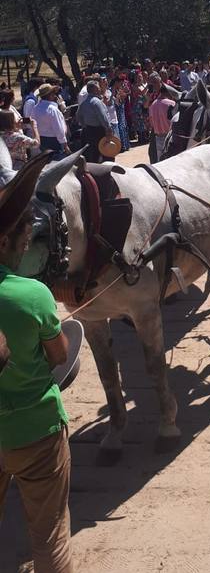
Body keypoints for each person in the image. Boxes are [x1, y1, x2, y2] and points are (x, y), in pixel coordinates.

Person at [0, 152, 73, 572]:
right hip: (34, 432)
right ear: (5, 241)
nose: (27, 246)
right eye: (24, 240)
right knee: (49, 537)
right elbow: (60, 356)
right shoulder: (32, 294)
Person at [76, 81, 112, 163]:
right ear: (95, 90)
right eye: (98, 88)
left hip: (88, 131)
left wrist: (84, 125)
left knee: (91, 154)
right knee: (105, 153)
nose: (100, 89)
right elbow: (103, 118)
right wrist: (108, 129)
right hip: (98, 132)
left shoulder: (84, 103)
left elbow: (78, 116)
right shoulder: (96, 102)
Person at [31, 84, 69, 159]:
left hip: (42, 140)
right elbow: (59, 129)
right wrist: (65, 145)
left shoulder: (35, 108)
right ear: (50, 95)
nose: (55, 95)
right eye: (53, 93)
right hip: (54, 141)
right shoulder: (52, 109)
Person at [148, 85, 176, 161]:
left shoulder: (153, 104)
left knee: (161, 161)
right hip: (170, 137)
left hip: (158, 137)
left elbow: (151, 123)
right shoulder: (172, 103)